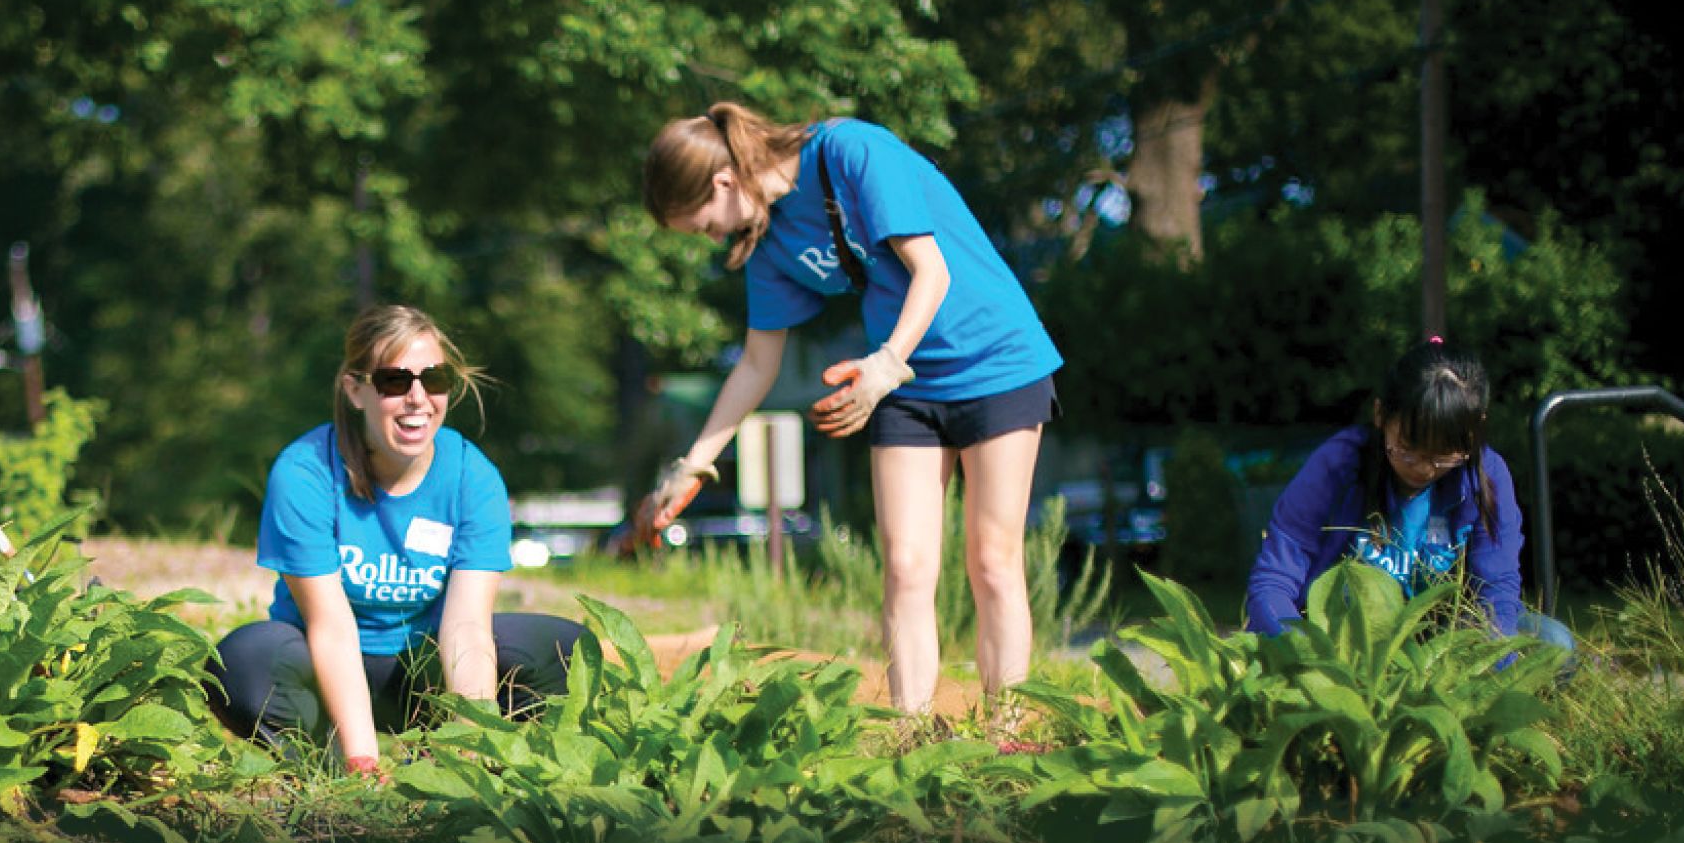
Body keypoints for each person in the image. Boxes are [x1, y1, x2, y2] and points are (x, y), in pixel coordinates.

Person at [636, 104, 1063, 714]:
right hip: (899, 385)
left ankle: (1008, 730)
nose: (716, 239)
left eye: (705, 225)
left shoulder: (851, 151)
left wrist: (886, 363)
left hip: (994, 360)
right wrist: (691, 466)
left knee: (992, 560)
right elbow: (757, 366)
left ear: (724, 182)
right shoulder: (769, 239)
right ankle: (909, 738)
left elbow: (932, 272)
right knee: (906, 567)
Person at [213, 305, 586, 778]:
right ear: (356, 390)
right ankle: (324, 756)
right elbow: (331, 626)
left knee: (567, 650)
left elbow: (466, 626)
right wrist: (362, 759)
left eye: (434, 379)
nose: (418, 398)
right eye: (394, 381)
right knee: (241, 663)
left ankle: (437, 754)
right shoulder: (304, 471)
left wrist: (473, 743)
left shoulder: (474, 476)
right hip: (326, 665)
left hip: (423, 670)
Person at [1246, 337, 1573, 653]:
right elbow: (1273, 581)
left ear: (1475, 430)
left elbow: (1497, 593)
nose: (1425, 469)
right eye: (1408, 449)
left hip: (1441, 646)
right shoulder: (1338, 464)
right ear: (1380, 415)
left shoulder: (1487, 475)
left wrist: (1489, 674)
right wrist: (1301, 653)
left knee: (1554, 644)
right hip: (1341, 642)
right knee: (1350, 591)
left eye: (1444, 456)